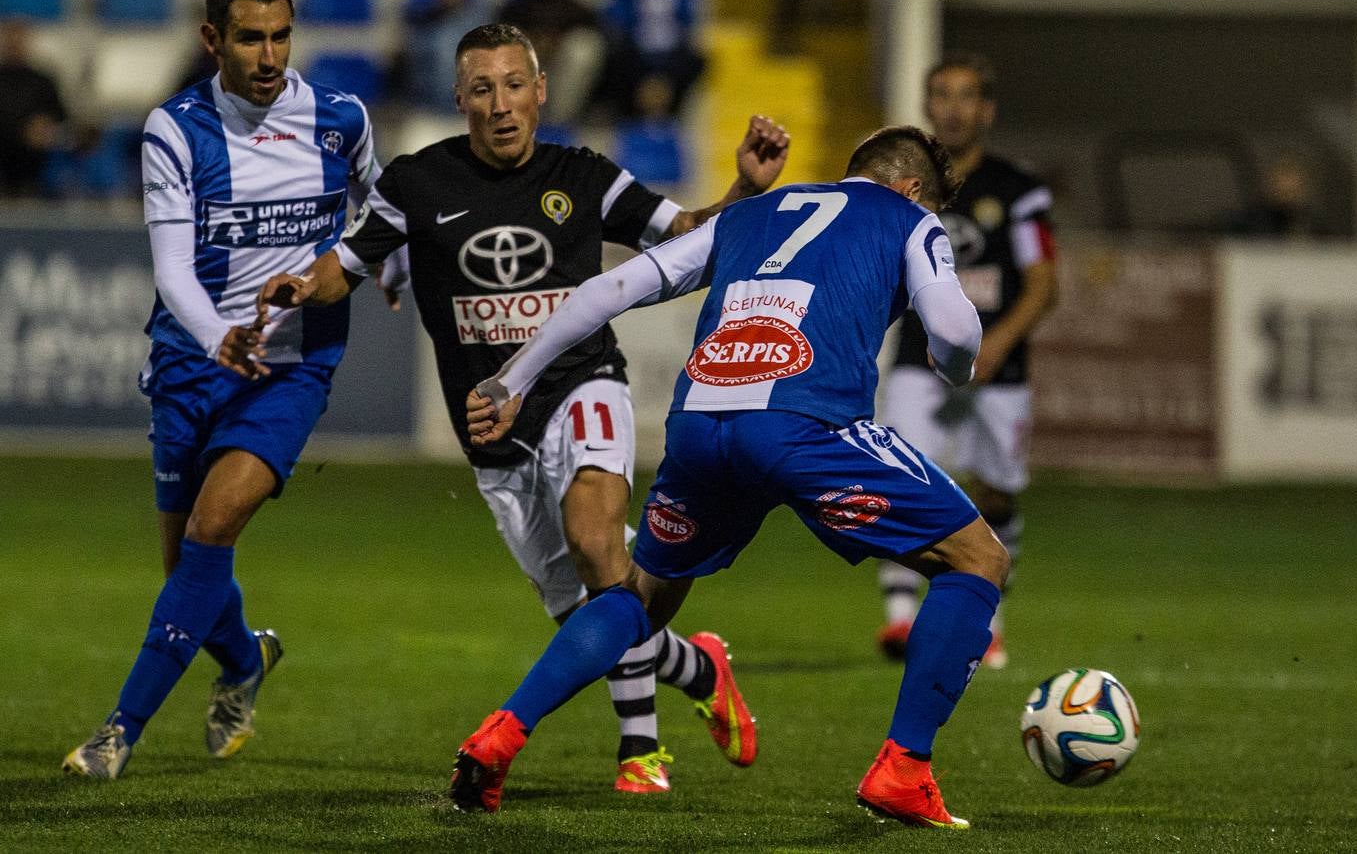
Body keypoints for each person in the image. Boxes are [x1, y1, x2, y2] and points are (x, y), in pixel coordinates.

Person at [255, 23, 790, 793]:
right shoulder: (416, 183)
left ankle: (639, 749)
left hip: (584, 383)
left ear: (540, 92)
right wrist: (301, 287)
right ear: (460, 100)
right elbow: (345, 264)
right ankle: (696, 665)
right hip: (491, 430)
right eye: (482, 89)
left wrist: (742, 192)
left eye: (514, 85)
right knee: (581, 617)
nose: (500, 105)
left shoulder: (580, 174)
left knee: (596, 541)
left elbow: (680, 235)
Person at [447, 125, 1010, 829]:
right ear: (911, 187)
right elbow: (954, 334)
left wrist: (511, 382)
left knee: (640, 596)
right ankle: (904, 769)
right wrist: (954, 372)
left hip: (700, 422)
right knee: (977, 559)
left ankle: (499, 735)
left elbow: (607, 289)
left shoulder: (748, 215)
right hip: (806, 425)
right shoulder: (911, 220)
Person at [62, 0, 396, 779]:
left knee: (215, 530)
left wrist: (384, 268)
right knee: (188, 569)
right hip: (190, 361)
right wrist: (217, 336)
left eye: (282, 35)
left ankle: (118, 731)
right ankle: (245, 660)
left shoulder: (340, 118)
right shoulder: (174, 130)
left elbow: (381, 207)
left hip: (292, 365)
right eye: (251, 38)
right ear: (213, 39)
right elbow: (173, 269)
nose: (271, 55)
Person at [876, 54, 1058, 668]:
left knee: (997, 493)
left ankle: (987, 622)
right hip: (916, 360)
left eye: (966, 96)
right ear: (927, 107)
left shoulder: (1017, 190)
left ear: (987, 110)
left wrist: (999, 339)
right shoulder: (904, 186)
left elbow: (1043, 284)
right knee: (898, 477)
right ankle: (902, 617)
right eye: (941, 95)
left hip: (999, 367)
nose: (953, 108)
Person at [0, 18, 68, 196]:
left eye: (19, 39)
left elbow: (61, 119)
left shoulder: (42, 81)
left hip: (34, 155)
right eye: (10, 39)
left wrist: (46, 128)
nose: (15, 44)